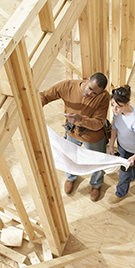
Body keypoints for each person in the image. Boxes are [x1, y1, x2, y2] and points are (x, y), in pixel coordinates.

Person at [39, 72, 110, 201]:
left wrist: (80, 119)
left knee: (98, 160)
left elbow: (98, 123)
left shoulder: (104, 97)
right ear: (87, 80)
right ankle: (71, 177)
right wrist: (35, 106)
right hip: (72, 131)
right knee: (69, 156)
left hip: (92, 136)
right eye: (90, 89)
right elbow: (44, 96)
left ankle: (96, 184)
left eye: (95, 93)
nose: (90, 94)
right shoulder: (67, 86)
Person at [107, 85, 135, 204]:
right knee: (130, 169)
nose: (114, 110)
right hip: (122, 145)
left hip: (132, 151)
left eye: (118, 107)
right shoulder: (117, 112)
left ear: (127, 104)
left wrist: (134, 156)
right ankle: (131, 177)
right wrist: (111, 145)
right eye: (112, 105)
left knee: (123, 173)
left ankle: (121, 193)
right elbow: (114, 127)